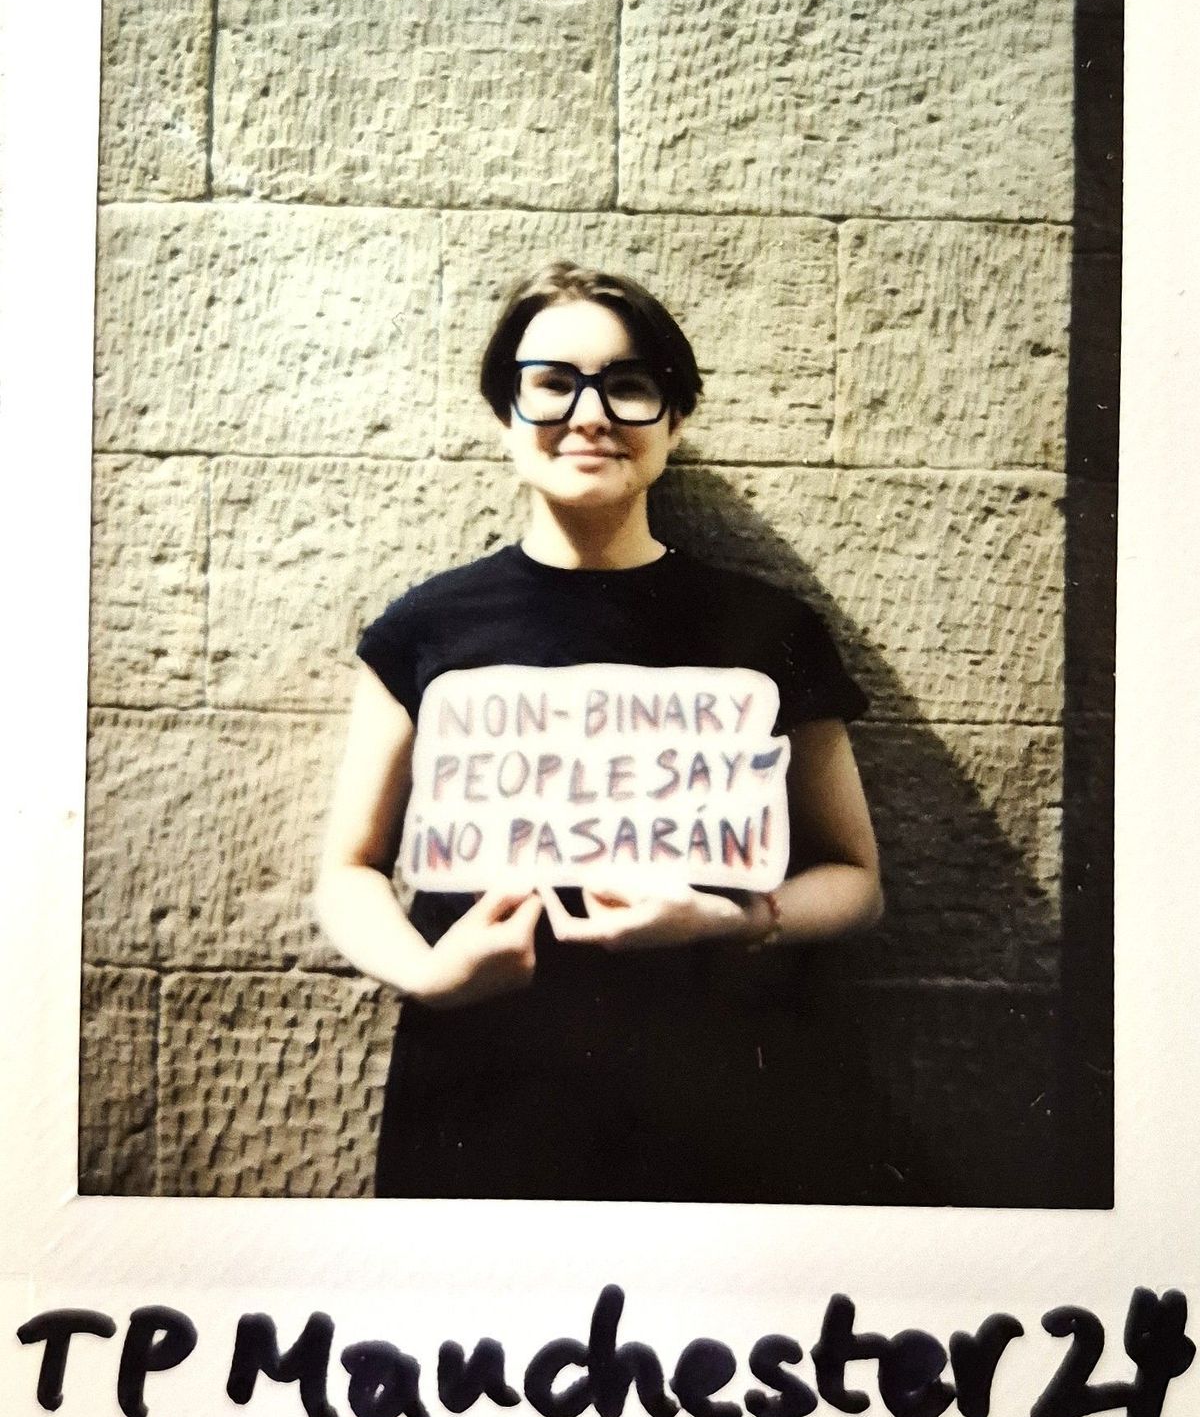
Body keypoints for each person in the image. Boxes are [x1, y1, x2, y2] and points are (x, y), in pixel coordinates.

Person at [316, 261, 883, 1202]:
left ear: (674, 417)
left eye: (629, 381)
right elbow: (347, 869)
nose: (591, 413)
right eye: (552, 382)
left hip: (713, 1096)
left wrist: (737, 919)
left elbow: (858, 882)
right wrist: (430, 971)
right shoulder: (426, 629)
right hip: (483, 1088)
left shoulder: (767, 632)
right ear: (506, 412)